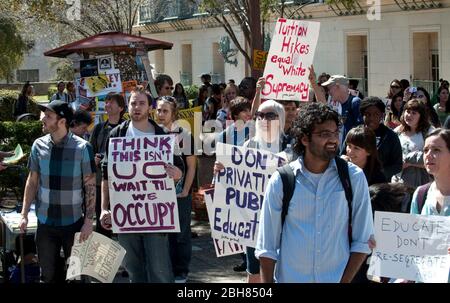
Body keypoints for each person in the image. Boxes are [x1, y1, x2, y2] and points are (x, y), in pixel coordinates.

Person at [256, 102, 374, 283]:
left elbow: (363, 240)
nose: (334, 139)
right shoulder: (282, 181)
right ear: (304, 139)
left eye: (335, 133)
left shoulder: (353, 178)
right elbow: (267, 246)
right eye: (324, 134)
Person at [99, 87, 183, 283]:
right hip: (126, 215)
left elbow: (179, 169)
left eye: (142, 103)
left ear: (150, 107)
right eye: (133, 103)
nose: (137, 107)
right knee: (134, 269)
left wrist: (177, 174)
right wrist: (104, 208)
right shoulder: (116, 135)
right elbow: (106, 175)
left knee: (159, 269)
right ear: (127, 107)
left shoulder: (162, 135)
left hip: (156, 215)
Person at [18, 100, 96, 283]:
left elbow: (90, 186)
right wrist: (24, 214)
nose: (43, 119)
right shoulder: (38, 146)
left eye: (48, 116)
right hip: (45, 223)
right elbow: (32, 181)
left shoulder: (83, 148)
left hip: (74, 223)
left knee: (77, 276)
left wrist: (88, 222)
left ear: (62, 121)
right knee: (48, 276)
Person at [156, 96, 196, 283]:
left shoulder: (184, 135)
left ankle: (180, 272)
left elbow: (191, 166)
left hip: (180, 193)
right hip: (156, 194)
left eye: (165, 111)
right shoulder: (151, 133)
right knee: (161, 234)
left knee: (180, 235)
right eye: (158, 110)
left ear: (174, 114)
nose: (160, 114)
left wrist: (186, 189)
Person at [89, 93, 125, 237]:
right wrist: (95, 160)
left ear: (121, 107)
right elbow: (90, 153)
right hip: (100, 182)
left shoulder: (127, 129)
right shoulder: (98, 128)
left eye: (111, 102)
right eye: (106, 102)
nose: (107, 105)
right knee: (102, 222)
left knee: (121, 221)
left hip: (122, 184)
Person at [308, 66, 362, 146]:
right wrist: (313, 83)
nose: (328, 92)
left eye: (329, 88)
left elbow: (361, 131)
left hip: (351, 153)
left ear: (337, 86)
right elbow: (323, 105)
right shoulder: (336, 104)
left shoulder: (355, 102)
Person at [358, 97, 403, 181]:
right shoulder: (355, 134)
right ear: (362, 115)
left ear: (382, 115)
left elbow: (398, 165)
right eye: (367, 114)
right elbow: (344, 155)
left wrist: (379, 173)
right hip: (356, 182)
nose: (371, 118)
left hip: (380, 187)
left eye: (376, 114)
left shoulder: (390, 137)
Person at [392, 99, 434, 188]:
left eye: (414, 113)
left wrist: (410, 163)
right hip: (397, 182)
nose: (409, 115)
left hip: (421, 183)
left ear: (421, 116)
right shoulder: (396, 132)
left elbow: (435, 158)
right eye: (408, 111)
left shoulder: (429, 132)